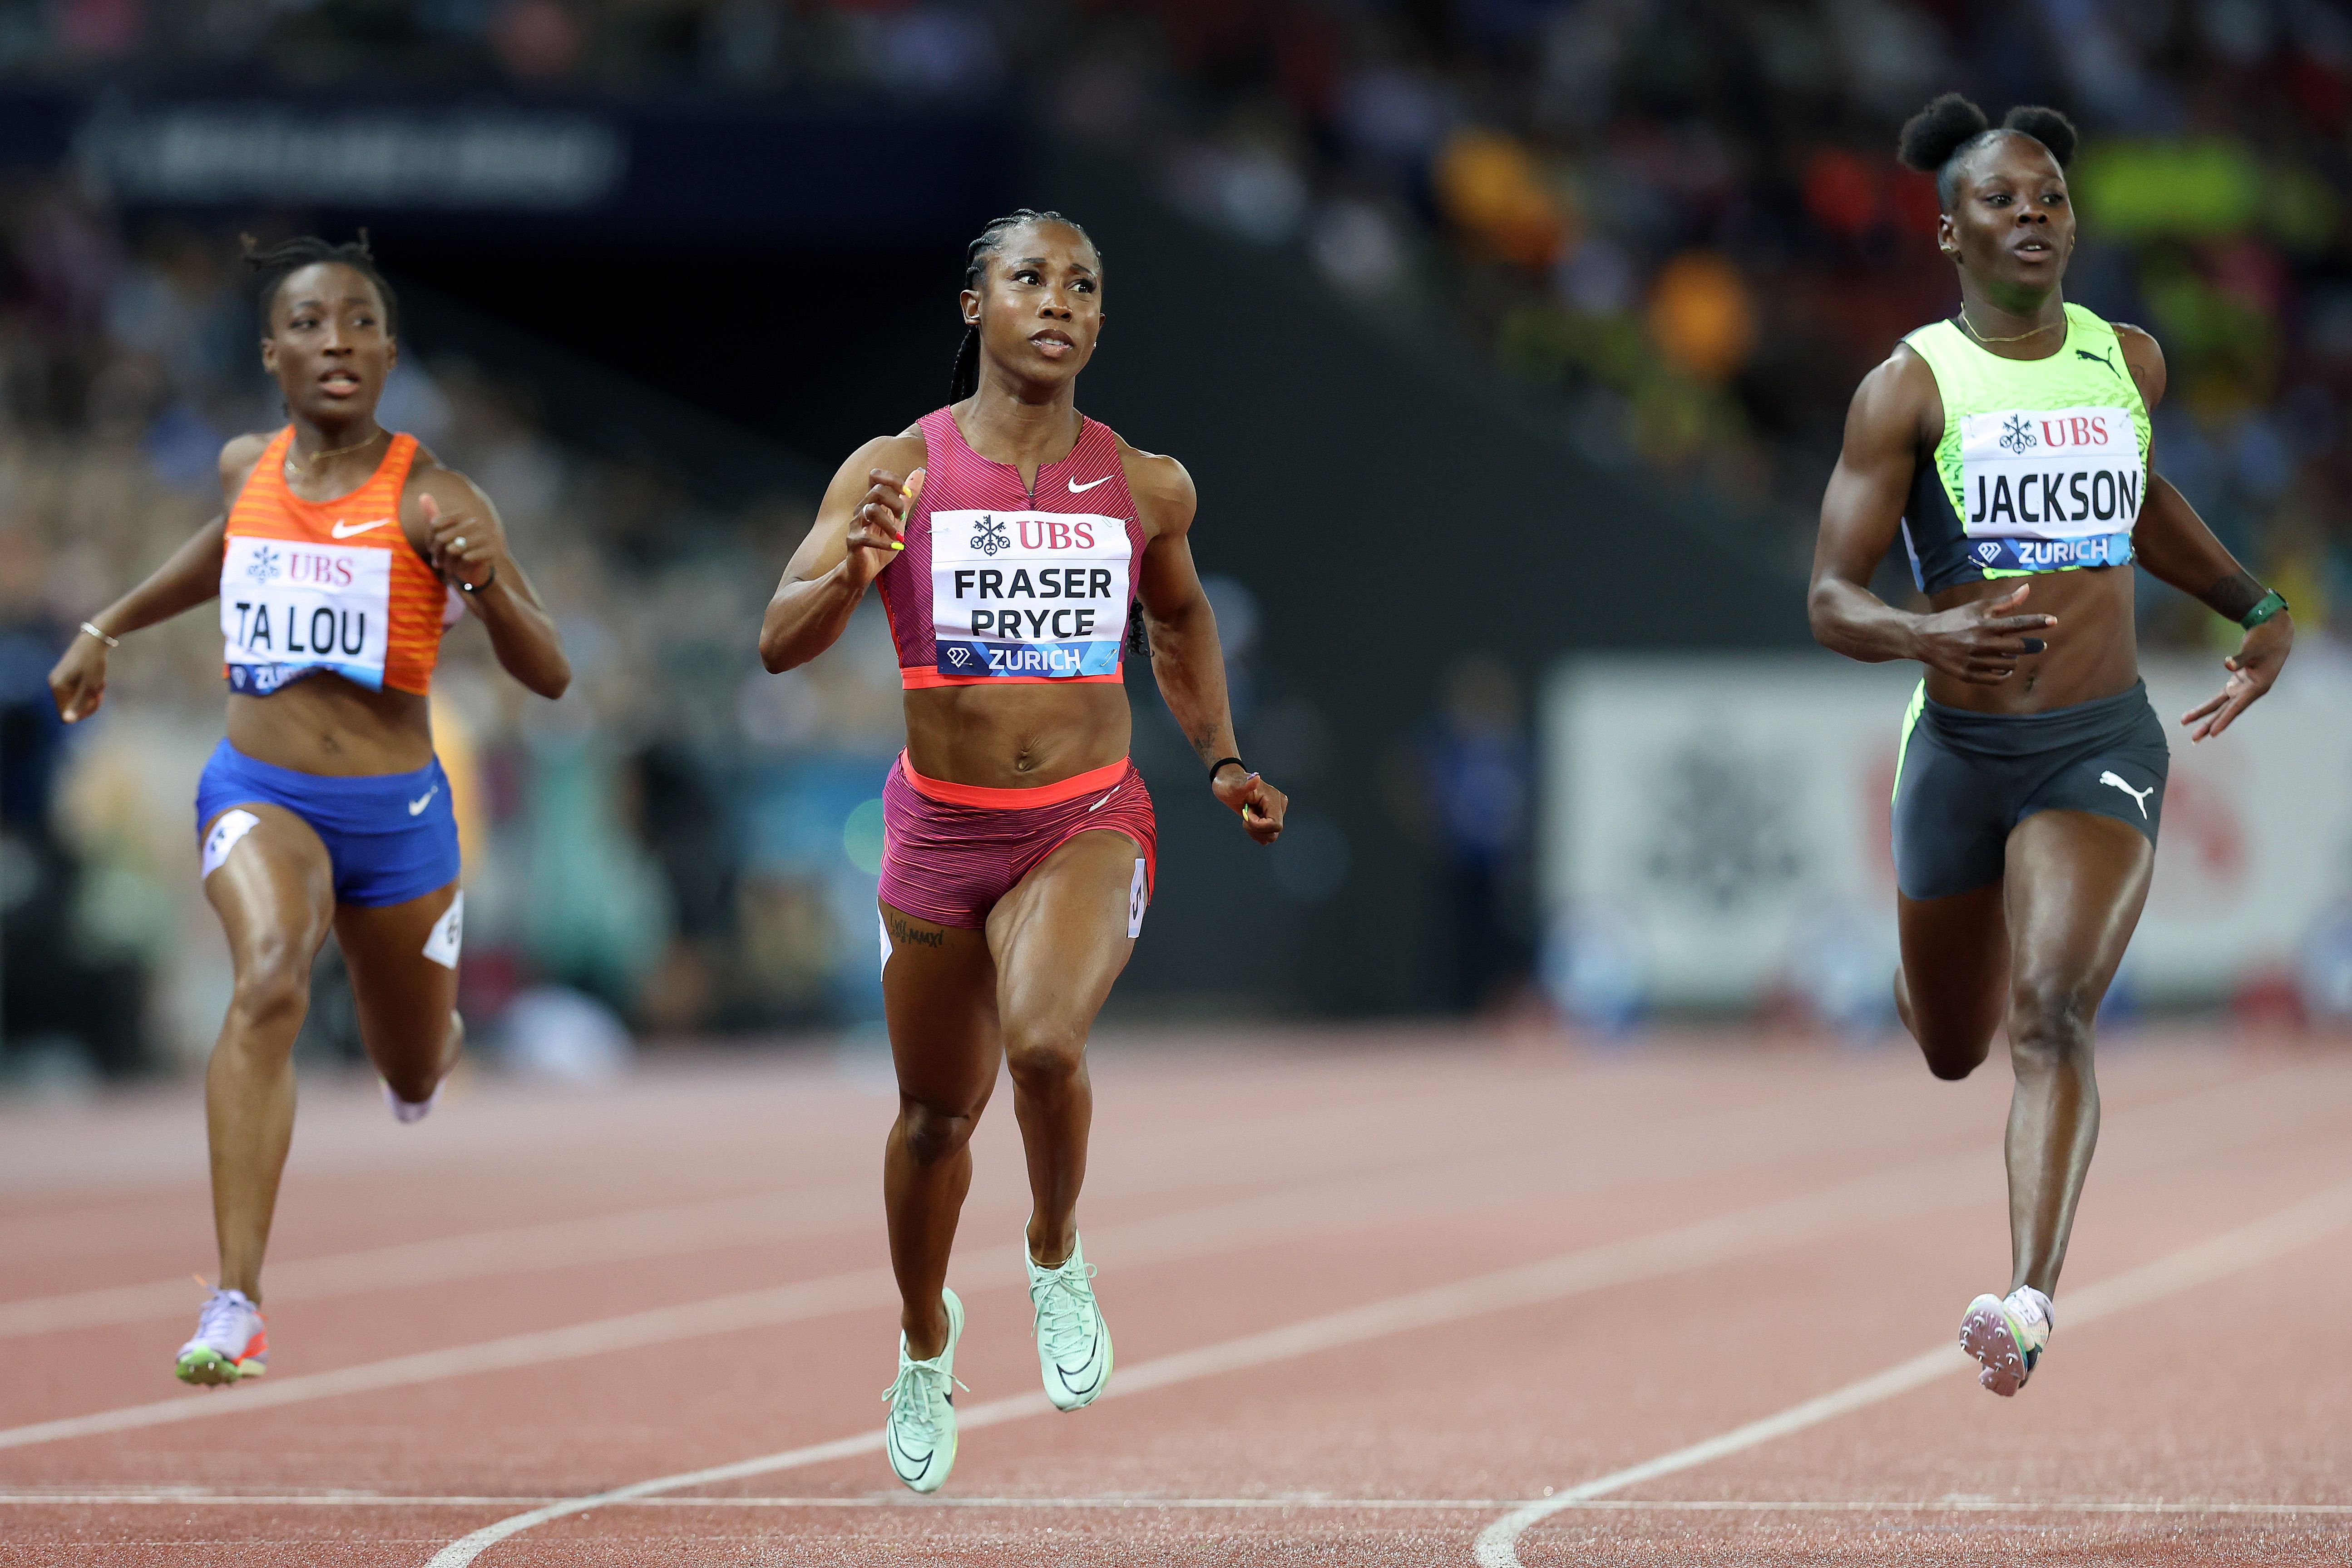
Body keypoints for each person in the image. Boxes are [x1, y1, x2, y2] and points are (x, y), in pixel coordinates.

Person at [758, 208, 1285, 1492]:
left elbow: (1180, 620)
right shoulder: (895, 468)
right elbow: (779, 637)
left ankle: (1055, 1253)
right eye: (1029, 278)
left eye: (1083, 285)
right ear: (972, 306)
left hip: (1084, 818)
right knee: (936, 1120)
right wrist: (850, 574)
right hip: (939, 831)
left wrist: (1218, 754)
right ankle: (926, 1339)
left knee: (1046, 1041)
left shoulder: (1145, 482)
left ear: (1100, 324)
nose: (1057, 300)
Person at [1808, 96, 2292, 1397]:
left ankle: (2024, 1299)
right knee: (1953, 1040)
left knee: (2052, 1008)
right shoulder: (1907, 386)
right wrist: (1922, 639)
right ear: (1946, 230)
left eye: (2051, 197)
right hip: (1958, 752)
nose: (2033, 213)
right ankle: (1940, 956)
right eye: (2002, 199)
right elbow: (1829, 597)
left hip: (2096, 743)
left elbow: (2141, 505)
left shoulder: (2123, 360)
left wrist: (2254, 605)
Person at [47, 234, 571, 1385]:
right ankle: (236, 1296)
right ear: (271, 352)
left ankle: (422, 1053)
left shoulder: (438, 496)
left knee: (417, 1066)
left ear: (388, 350)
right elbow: (217, 550)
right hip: (261, 789)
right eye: (309, 322)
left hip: (398, 815)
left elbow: (550, 673)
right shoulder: (250, 468)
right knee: (270, 974)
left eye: (359, 322)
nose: (335, 340)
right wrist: (107, 626)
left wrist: (483, 583)